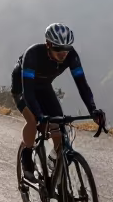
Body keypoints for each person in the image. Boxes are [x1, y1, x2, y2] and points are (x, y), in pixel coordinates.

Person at [11, 23, 106, 184]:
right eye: (58, 49)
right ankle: (26, 155)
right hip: (23, 88)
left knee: (59, 127)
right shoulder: (33, 54)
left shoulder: (71, 56)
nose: (63, 53)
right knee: (33, 121)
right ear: (48, 45)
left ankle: (55, 159)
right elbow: (28, 92)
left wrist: (93, 109)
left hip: (44, 87)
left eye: (67, 48)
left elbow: (82, 84)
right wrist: (40, 116)